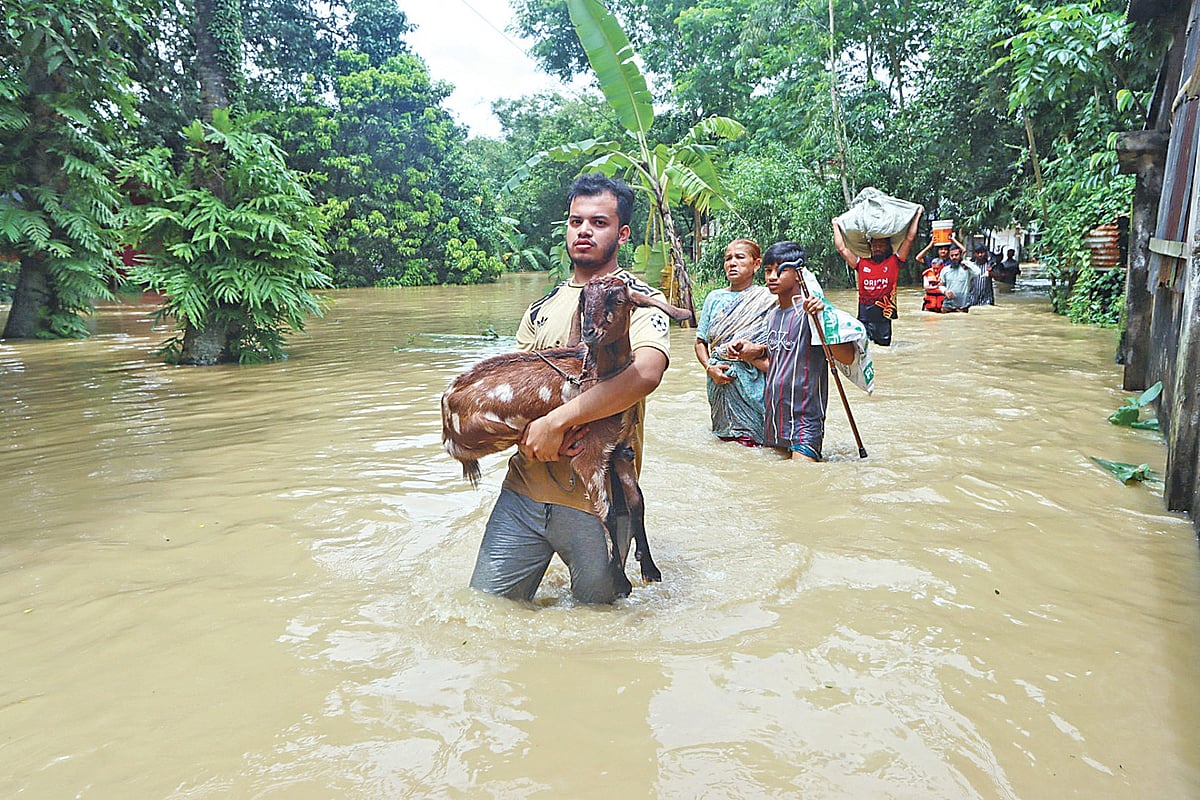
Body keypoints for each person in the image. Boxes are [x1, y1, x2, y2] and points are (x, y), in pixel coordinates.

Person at [468, 174, 675, 605]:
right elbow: (515, 390)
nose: (584, 231)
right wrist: (526, 437)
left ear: (622, 234)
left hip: (598, 503)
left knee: (599, 626)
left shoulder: (636, 298)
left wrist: (557, 423)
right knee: (486, 607)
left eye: (599, 222)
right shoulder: (540, 309)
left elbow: (646, 373)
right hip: (524, 492)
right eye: (576, 221)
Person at [726, 242, 855, 462]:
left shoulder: (813, 312)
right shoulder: (773, 315)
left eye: (781, 270)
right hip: (775, 419)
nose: (772, 277)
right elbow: (777, 366)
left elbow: (848, 357)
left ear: (798, 273)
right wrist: (748, 354)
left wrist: (823, 319)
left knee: (802, 476)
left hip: (805, 421)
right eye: (768, 271)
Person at [694, 238, 776, 445]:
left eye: (739, 257)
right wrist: (709, 368)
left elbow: (779, 344)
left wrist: (755, 350)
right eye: (728, 258)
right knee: (723, 439)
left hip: (753, 381)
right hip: (719, 381)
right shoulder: (714, 298)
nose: (732, 263)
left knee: (754, 442)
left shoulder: (769, 299)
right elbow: (700, 342)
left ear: (756, 264)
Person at [832, 208, 921, 346]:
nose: (877, 248)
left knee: (884, 350)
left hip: (884, 317)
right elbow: (841, 249)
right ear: (870, 247)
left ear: (887, 247)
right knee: (864, 349)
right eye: (875, 245)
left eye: (881, 245)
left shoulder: (894, 262)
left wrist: (917, 215)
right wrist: (835, 225)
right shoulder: (861, 263)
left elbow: (909, 239)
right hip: (865, 317)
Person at [939, 245, 978, 312]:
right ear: (949, 256)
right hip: (948, 305)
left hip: (962, 305)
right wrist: (945, 291)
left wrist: (967, 263)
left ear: (960, 255)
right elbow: (940, 285)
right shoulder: (945, 270)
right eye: (952, 255)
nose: (954, 257)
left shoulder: (967, 270)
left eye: (956, 255)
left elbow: (978, 273)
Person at [915, 240, 951, 312]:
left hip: (943, 299)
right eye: (941, 249)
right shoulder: (932, 261)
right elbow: (918, 257)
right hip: (931, 299)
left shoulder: (951, 263)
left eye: (945, 249)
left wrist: (953, 239)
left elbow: (963, 251)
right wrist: (930, 245)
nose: (943, 251)